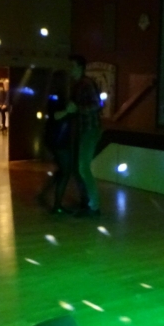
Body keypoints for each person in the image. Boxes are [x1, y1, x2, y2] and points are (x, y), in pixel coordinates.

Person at [67, 55, 103, 217]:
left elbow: (97, 105)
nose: (70, 70)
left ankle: (94, 206)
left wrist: (77, 108)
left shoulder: (86, 84)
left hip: (90, 129)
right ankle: (88, 203)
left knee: (83, 167)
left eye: (73, 66)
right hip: (84, 130)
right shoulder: (78, 84)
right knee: (81, 167)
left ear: (80, 68)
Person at [36, 74, 74, 213]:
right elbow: (56, 116)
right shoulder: (57, 97)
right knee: (65, 171)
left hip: (55, 138)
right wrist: (68, 110)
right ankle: (56, 205)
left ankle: (44, 195)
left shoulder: (53, 96)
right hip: (58, 138)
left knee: (61, 171)